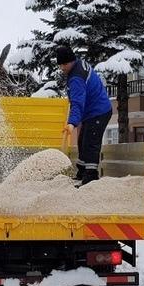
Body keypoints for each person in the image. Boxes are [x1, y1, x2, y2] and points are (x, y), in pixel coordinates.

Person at [56, 45, 113, 187]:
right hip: (91, 111)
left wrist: (72, 123)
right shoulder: (78, 65)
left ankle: (91, 176)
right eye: (60, 64)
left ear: (71, 61)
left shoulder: (76, 78)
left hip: (99, 111)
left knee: (90, 143)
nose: (62, 68)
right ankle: (82, 172)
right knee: (82, 141)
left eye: (64, 64)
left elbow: (77, 103)